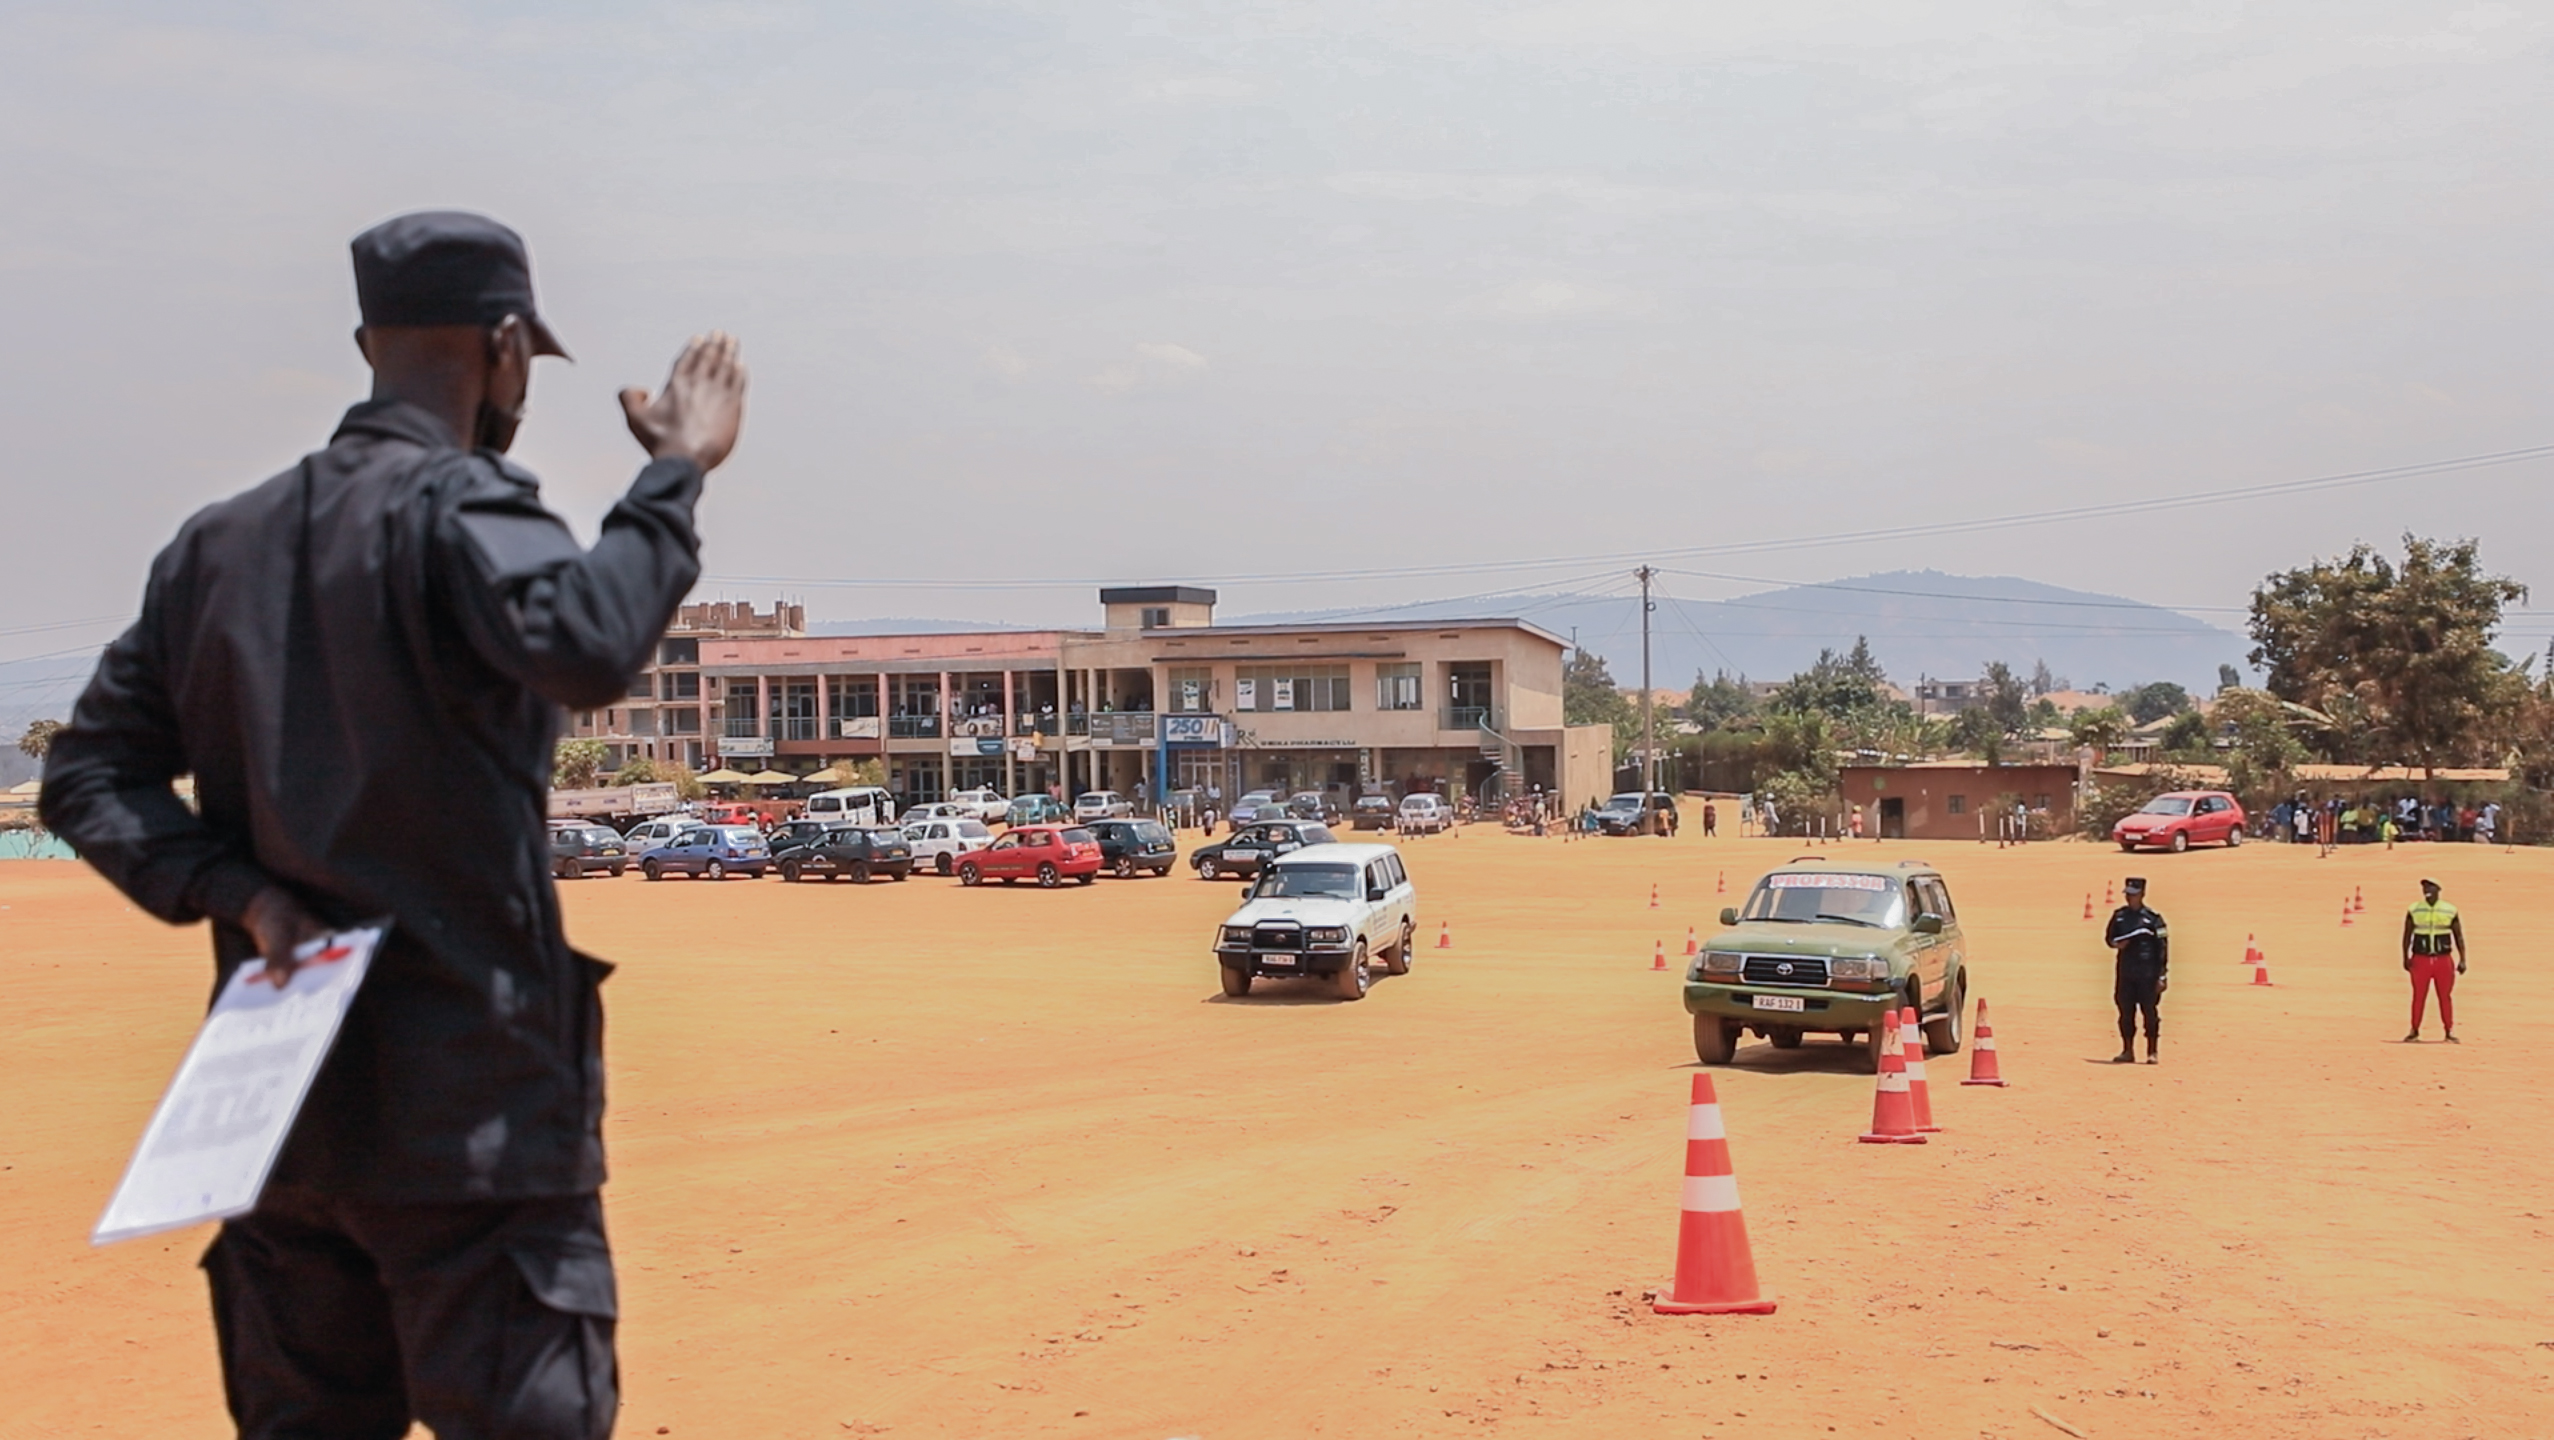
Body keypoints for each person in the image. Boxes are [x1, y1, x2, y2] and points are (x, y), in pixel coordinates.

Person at [39, 211, 747, 1439]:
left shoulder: (217, 547)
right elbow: (586, 643)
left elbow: (89, 776)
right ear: (508, 349)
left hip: (283, 1126)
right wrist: (674, 474)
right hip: (475, 1126)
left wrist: (242, 895)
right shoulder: (461, 510)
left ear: (369, 344)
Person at [2104, 876, 2168, 1064]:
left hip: (2148, 973)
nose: (2129, 898)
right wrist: (2116, 944)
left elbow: (2163, 947)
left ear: (2142, 894)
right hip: (2126, 972)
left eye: (2133, 894)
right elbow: (2109, 938)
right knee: (2125, 1012)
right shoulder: (2119, 916)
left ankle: (2152, 1052)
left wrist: (2162, 975)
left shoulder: (2154, 918)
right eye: (2128, 894)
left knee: (2149, 1012)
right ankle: (2127, 1051)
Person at [2401, 877, 2467, 1043]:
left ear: (2438, 890)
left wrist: (2463, 959)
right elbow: (2407, 935)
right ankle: (2414, 1030)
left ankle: (2449, 1030)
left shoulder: (2449, 910)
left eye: (2430, 887)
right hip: (2420, 959)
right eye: (2424, 887)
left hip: (2443, 960)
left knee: (2445, 996)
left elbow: (2458, 936)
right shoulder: (2414, 909)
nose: (2427, 890)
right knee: (2419, 996)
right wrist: (2405, 957)